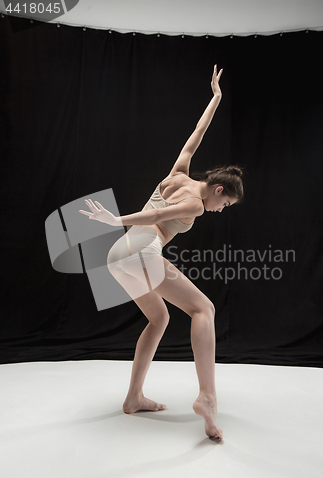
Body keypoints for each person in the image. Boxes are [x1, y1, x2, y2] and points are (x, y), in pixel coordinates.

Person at [79, 65, 244, 442]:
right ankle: (207, 396)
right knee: (204, 309)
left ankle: (134, 397)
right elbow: (156, 215)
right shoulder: (196, 204)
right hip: (138, 248)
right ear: (218, 190)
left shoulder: (179, 172)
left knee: (159, 318)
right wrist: (114, 218)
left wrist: (215, 97)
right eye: (227, 204)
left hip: (119, 255)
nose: (222, 211)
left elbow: (196, 135)